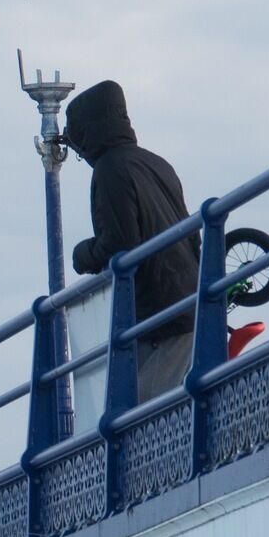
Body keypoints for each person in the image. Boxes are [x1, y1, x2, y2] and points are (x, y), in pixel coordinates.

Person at [66, 80, 199, 402]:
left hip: (158, 310)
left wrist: (83, 254)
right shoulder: (155, 162)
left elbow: (121, 243)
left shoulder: (111, 169)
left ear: (86, 132)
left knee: (148, 415)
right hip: (189, 296)